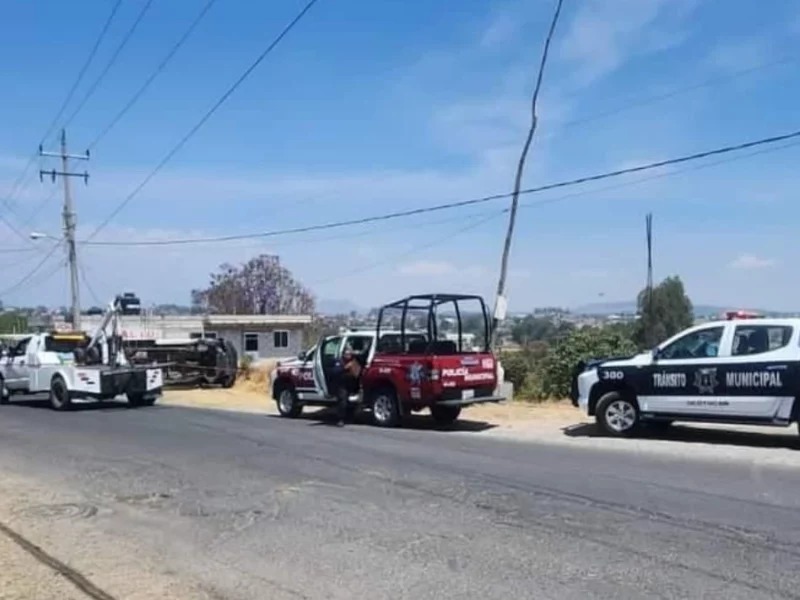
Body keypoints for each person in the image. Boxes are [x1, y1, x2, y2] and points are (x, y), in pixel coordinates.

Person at [335, 347, 362, 427]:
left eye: (349, 354)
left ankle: (350, 418)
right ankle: (340, 419)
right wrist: (345, 367)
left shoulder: (354, 361)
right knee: (342, 402)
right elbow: (335, 371)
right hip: (342, 385)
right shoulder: (339, 361)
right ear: (343, 354)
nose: (348, 355)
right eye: (346, 354)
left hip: (352, 385)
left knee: (352, 402)